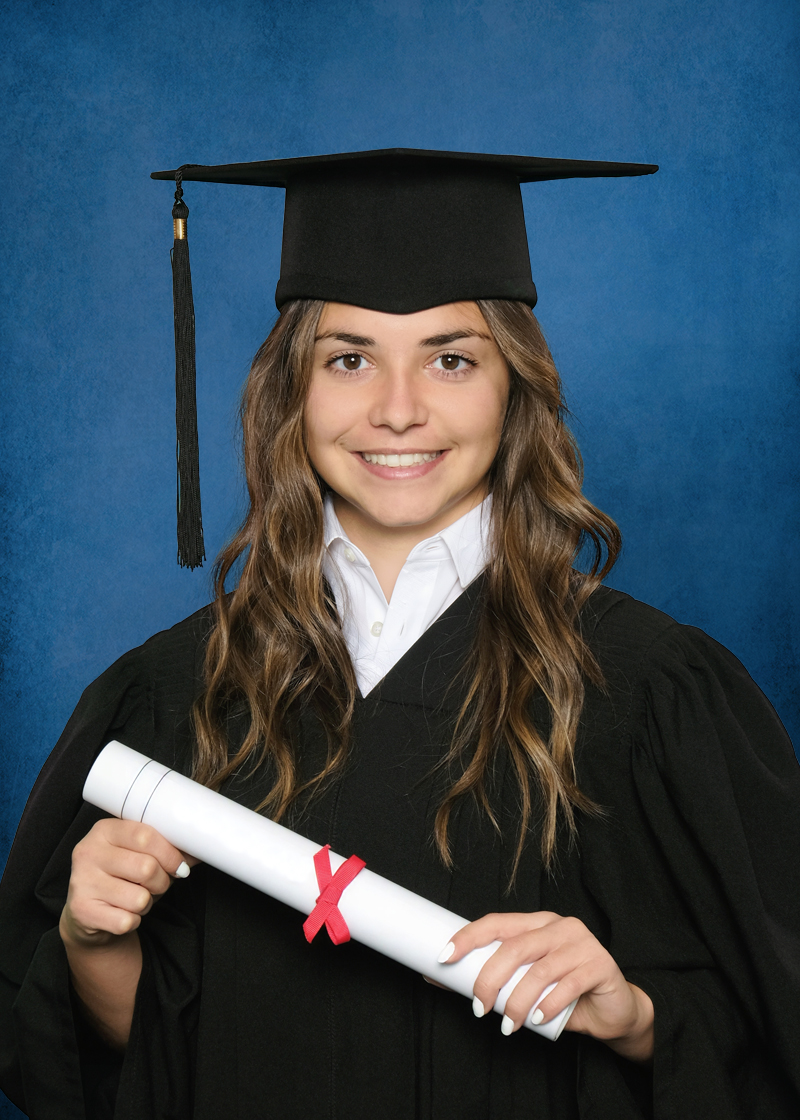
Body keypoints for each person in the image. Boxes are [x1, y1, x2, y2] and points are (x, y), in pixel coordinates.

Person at [1, 150, 798, 1120]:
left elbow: (763, 1029)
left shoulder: (645, 691)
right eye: (349, 358)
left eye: (450, 358)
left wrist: (631, 1013)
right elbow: (142, 1065)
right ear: (290, 389)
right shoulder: (177, 691)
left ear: (516, 388)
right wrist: (94, 940)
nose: (397, 408)